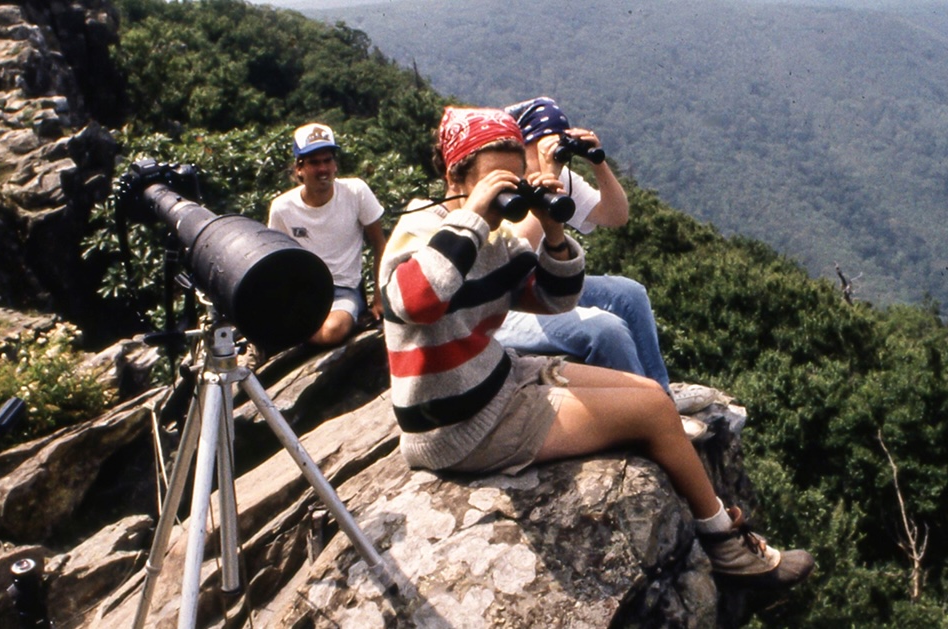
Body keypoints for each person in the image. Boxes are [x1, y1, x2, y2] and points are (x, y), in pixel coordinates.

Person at [379, 106, 813, 588]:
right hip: (462, 427)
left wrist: (554, 228)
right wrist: (474, 217)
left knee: (651, 396)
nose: (508, 186)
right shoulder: (420, 233)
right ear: (453, 174)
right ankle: (725, 546)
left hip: (499, 379)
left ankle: (707, 515)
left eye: (515, 174)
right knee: (649, 413)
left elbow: (553, 297)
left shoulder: (499, 240)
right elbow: (415, 301)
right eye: (495, 177)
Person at [493, 97, 673, 395]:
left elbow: (615, 216)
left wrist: (598, 164)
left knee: (630, 294)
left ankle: (662, 395)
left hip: (545, 290)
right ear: (521, 146)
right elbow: (519, 250)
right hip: (504, 307)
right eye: (543, 144)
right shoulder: (504, 186)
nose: (553, 154)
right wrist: (548, 179)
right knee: (605, 329)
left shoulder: (559, 177)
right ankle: (643, 406)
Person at [268, 123, 387, 346]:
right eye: (314, 162)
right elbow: (277, 261)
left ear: (335, 165)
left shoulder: (356, 192)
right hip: (302, 293)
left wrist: (380, 298)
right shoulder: (282, 208)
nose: (323, 169)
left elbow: (380, 244)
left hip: (344, 290)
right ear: (299, 169)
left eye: (327, 160)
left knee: (333, 330)